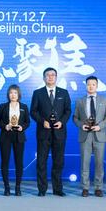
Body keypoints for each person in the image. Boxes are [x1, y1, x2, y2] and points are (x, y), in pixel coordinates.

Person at [30, 67, 72, 196]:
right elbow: (33, 111)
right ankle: (42, 189)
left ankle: (57, 189)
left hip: (59, 132)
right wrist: (42, 121)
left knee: (58, 161)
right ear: (44, 78)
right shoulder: (38, 93)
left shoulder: (64, 93)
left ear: (56, 77)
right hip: (43, 132)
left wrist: (62, 122)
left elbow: (68, 111)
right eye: (48, 75)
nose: (50, 77)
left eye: (53, 75)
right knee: (41, 161)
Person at [73, 76, 106, 197]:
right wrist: (81, 125)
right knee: (85, 162)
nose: (91, 86)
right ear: (86, 86)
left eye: (93, 84)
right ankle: (85, 187)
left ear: (97, 86)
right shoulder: (80, 101)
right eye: (88, 84)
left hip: (100, 135)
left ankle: (98, 187)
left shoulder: (104, 100)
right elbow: (75, 118)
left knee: (99, 163)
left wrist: (100, 126)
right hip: (85, 135)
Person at [0, 85, 30, 196]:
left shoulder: (24, 107)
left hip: (19, 137)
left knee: (19, 162)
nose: (13, 95)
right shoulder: (3, 106)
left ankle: (18, 187)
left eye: (15, 93)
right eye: (11, 93)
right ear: (8, 94)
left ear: (18, 94)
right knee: (5, 161)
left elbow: (27, 122)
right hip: (5, 136)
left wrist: (22, 127)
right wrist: (5, 126)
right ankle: (6, 187)